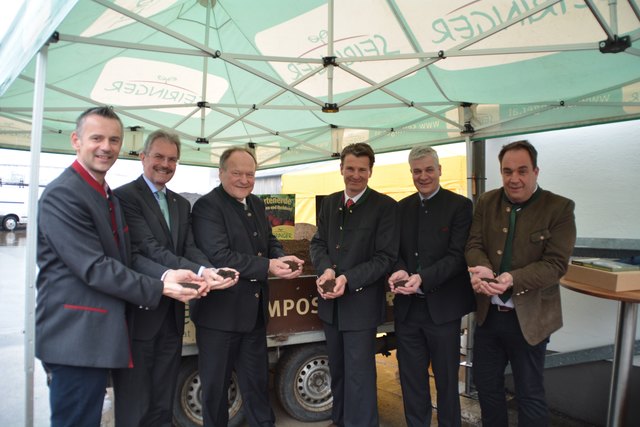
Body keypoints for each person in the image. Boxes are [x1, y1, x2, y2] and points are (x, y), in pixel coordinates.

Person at [35, 106, 204, 427]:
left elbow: (129, 257)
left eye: (114, 139)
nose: (106, 147)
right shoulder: (64, 194)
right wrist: (160, 286)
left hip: (99, 337)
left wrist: (169, 273)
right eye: (96, 138)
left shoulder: (104, 194)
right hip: (74, 339)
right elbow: (95, 267)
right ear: (76, 140)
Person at [112, 130, 239, 426]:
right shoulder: (124, 197)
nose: (165, 164)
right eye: (158, 156)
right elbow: (147, 249)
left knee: (163, 399)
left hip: (172, 317)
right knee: (135, 404)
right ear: (142, 157)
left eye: (172, 159)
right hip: (139, 316)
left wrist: (209, 270)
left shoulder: (181, 204)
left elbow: (190, 247)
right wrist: (197, 272)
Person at [465, 140, 576, 427]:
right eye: (507, 171)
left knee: (529, 394)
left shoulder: (559, 208)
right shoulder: (487, 202)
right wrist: (484, 270)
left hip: (530, 320)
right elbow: (474, 244)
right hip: (489, 317)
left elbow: (555, 265)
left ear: (536, 171)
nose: (514, 179)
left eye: (522, 171)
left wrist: (512, 278)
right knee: (487, 388)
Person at [191, 147, 304, 427]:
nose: (244, 180)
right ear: (221, 173)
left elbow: (269, 240)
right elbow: (220, 256)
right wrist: (268, 266)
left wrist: (280, 256)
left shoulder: (255, 203)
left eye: (250, 174)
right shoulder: (207, 207)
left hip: (253, 314)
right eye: (237, 173)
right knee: (215, 390)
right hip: (219, 317)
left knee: (257, 383)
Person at [309, 142, 398, 427]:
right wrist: (324, 269)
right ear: (341, 169)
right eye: (350, 168)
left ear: (371, 172)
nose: (355, 175)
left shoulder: (385, 207)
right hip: (331, 307)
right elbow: (319, 242)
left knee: (359, 375)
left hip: (360, 307)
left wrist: (348, 278)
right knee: (338, 370)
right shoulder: (330, 203)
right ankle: (340, 421)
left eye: (362, 169)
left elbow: (385, 258)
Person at [388, 146, 475, 427]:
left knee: (448, 382)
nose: (423, 176)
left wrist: (422, 278)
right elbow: (394, 251)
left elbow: (458, 256)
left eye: (428, 169)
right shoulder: (401, 208)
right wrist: (400, 268)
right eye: (417, 171)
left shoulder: (460, 206)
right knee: (412, 382)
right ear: (411, 173)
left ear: (439, 170)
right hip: (408, 311)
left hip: (443, 311)